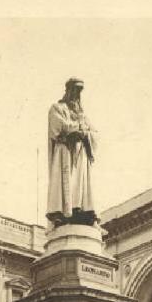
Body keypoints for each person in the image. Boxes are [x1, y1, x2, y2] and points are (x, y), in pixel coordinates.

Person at [47, 77, 98, 227]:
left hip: (80, 152)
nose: (76, 95)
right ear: (68, 91)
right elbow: (58, 127)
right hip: (65, 151)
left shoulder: (83, 114)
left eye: (79, 91)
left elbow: (94, 132)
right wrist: (78, 128)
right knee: (65, 182)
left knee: (80, 183)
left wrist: (86, 134)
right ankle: (60, 213)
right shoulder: (57, 108)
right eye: (74, 90)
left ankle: (80, 210)